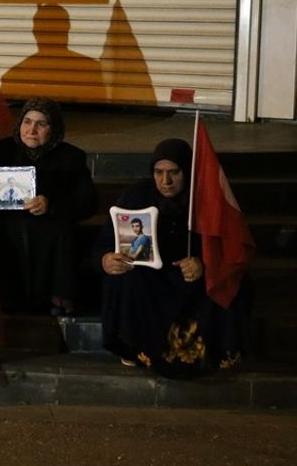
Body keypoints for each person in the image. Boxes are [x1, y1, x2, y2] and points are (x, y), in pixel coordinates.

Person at [98, 138, 248, 378]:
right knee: (123, 278)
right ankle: (131, 347)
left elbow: (225, 248)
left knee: (226, 283)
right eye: (158, 172)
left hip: (190, 276)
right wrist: (106, 258)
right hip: (151, 277)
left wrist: (202, 262)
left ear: (187, 171)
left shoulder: (205, 200)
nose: (165, 181)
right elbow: (108, 239)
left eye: (173, 173)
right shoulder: (136, 196)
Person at [0, 98, 97, 315]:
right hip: (6, 223)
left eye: (41, 124)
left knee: (61, 232)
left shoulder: (70, 157)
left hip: (49, 225)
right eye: (27, 122)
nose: (32, 130)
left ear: (54, 129)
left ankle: (57, 299)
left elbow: (87, 202)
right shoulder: (0, 151)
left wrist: (51, 205)